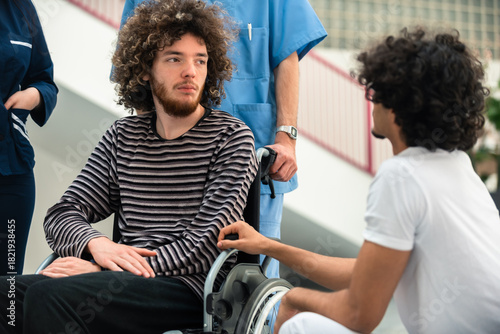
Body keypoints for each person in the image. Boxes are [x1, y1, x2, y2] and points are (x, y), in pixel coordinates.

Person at [217, 28, 500, 334]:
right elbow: (365, 272)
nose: (371, 99)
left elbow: (359, 314)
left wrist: (294, 297)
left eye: (377, 91)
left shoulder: (402, 175)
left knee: (300, 326)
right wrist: (267, 246)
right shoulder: (458, 167)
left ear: (398, 105)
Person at [0, 0, 258, 333]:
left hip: (190, 288)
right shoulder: (124, 136)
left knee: (50, 297)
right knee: (6, 295)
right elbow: (62, 213)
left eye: (200, 60)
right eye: (174, 59)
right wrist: (97, 246)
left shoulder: (232, 137)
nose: (191, 71)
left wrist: (110, 274)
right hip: (124, 283)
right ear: (145, 69)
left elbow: (206, 246)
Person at [119, 0, 327, 279]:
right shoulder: (118, 140)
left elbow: (286, 57)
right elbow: (139, 74)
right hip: (170, 168)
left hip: (252, 167)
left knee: (249, 278)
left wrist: (286, 137)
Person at [0, 0, 58, 275]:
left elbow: (46, 82)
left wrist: (33, 96)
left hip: (12, 172)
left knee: (7, 287)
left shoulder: (22, 8)